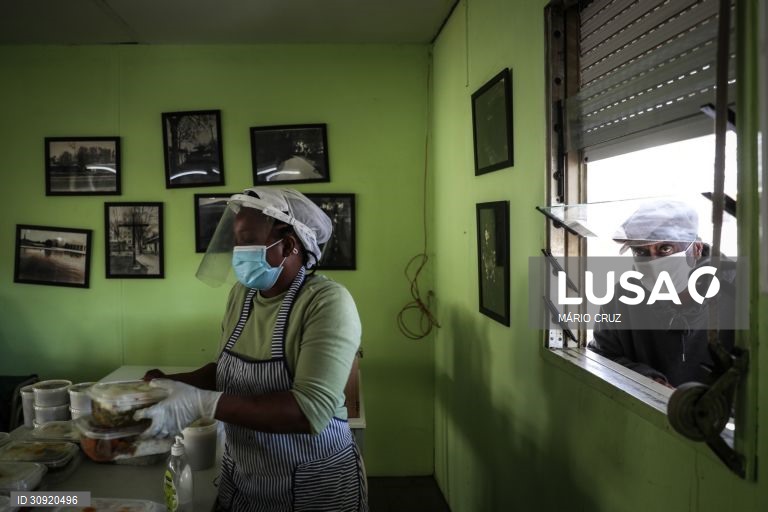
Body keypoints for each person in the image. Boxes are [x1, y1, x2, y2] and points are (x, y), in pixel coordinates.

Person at [137, 187, 368, 511]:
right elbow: (229, 372)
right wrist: (172, 385)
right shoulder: (241, 296)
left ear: (287, 245)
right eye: (235, 239)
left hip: (312, 486)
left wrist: (199, 403)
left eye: (246, 239)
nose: (236, 251)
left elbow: (307, 410)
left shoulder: (327, 303)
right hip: (244, 479)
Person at [587, 199, 735, 388]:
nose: (653, 262)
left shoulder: (738, 292)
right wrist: (648, 380)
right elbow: (601, 355)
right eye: (641, 252)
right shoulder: (621, 297)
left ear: (696, 249)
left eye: (665, 248)